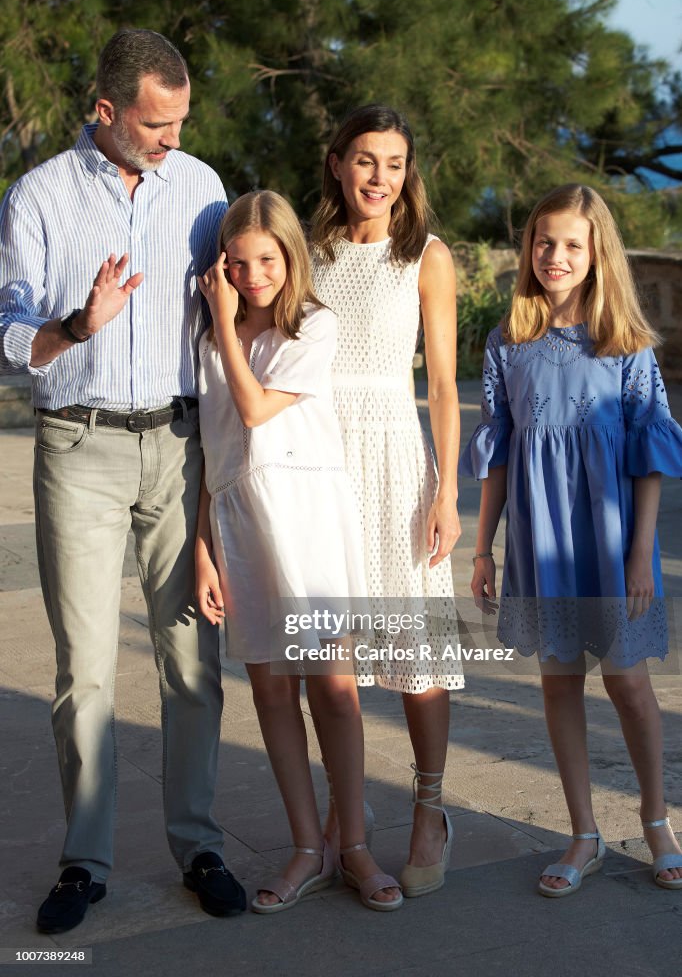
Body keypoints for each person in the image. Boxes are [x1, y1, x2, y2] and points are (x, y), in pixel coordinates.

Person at [0, 28, 246, 932]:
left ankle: (201, 844)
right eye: (156, 124)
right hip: (79, 450)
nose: (173, 139)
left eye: (181, 120)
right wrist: (76, 323)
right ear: (106, 113)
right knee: (86, 673)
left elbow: (233, 313)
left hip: (179, 450)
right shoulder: (37, 196)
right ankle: (84, 863)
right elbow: (8, 330)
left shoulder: (203, 188)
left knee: (193, 663)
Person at [460, 183, 682, 897]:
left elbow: (650, 455)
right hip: (539, 535)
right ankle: (583, 831)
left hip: (613, 539)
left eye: (573, 245)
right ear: (529, 247)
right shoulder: (508, 342)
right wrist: (484, 546)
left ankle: (657, 823)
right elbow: (495, 459)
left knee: (627, 683)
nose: (556, 255)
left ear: (597, 255)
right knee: (559, 681)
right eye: (544, 241)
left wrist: (642, 551)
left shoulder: (626, 345)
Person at [195, 189, 402, 912]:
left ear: (291, 256)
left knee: (335, 690)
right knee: (272, 691)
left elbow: (255, 409)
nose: (253, 275)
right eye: (238, 262)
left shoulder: (315, 326)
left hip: (308, 519)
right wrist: (201, 545)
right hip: (242, 522)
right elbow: (214, 444)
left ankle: (354, 847)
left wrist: (224, 322)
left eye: (267, 259)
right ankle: (307, 847)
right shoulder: (206, 335)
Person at [309, 105, 462, 898]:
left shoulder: (426, 257)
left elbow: (441, 384)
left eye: (395, 164)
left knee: (417, 657)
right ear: (336, 164)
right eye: (365, 160)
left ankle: (430, 811)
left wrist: (448, 490)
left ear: (410, 173)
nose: (379, 177)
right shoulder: (311, 254)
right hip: (323, 466)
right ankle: (345, 815)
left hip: (399, 463)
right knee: (333, 662)